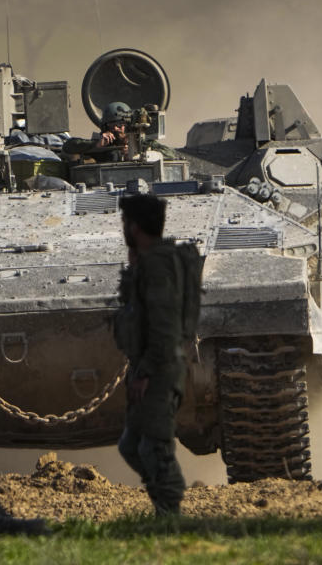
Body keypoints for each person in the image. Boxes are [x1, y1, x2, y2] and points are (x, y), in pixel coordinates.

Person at [114, 194, 187, 515]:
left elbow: (164, 327)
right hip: (146, 366)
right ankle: (163, 500)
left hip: (159, 369)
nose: (123, 228)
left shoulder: (158, 269)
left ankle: (170, 515)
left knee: (152, 446)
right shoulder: (145, 264)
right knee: (132, 446)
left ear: (136, 225)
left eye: (126, 223)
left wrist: (146, 372)